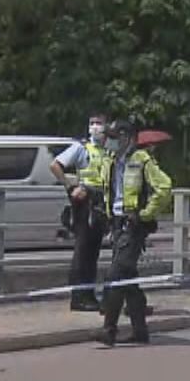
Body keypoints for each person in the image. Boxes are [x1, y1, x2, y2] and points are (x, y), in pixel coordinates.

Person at [95, 118, 173, 347]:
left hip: (134, 225)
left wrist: (145, 214)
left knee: (115, 275)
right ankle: (140, 330)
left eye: (113, 138)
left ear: (126, 138)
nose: (109, 142)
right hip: (117, 224)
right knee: (127, 279)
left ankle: (109, 329)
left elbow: (164, 187)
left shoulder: (142, 160)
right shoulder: (111, 161)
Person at [51, 114, 113, 312]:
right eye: (92, 123)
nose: (95, 127)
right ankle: (78, 297)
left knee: (92, 252)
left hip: (100, 204)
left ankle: (89, 295)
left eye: (99, 123)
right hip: (84, 203)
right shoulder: (81, 148)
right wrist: (70, 186)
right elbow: (55, 165)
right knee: (82, 250)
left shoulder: (107, 151)